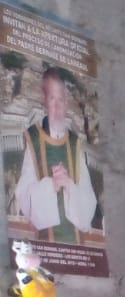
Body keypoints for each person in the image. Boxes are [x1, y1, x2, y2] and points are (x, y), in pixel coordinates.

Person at [14, 67, 98, 245]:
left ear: (65, 102)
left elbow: (89, 199)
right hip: (46, 247)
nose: (57, 106)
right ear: (44, 100)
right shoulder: (33, 139)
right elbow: (23, 196)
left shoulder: (75, 144)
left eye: (61, 99)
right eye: (52, 98)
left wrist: (68, 185)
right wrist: (51, 185)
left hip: (77, 246)